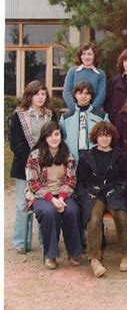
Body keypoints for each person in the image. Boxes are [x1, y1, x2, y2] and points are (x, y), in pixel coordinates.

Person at [75, 122, 127, 278]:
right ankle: (94, 259)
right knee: (93, 219)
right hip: (94, 194)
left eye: (107, 135)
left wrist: (120, 190)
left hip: (114, 193)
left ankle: (126, 255)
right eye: (101, 135)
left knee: (121, 214)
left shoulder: (120, 156)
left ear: (112, 137)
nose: (104, 139)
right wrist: (85, 195)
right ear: (96, 137)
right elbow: (79, 183)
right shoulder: (86, 158)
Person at [25, 121, 83, 270]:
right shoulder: (35, 156)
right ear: (44, 137)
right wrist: (52, 199)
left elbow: (70, 179)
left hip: (63, 194)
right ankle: (50, 255)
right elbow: (33, 183)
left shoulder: (66, 154)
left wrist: (62, 198)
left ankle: (74, 252)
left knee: (72, 211)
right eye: (49, 135)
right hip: (41, 196)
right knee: (49, 212)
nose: (53, 138)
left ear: (61, 136)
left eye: (56, 134)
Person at [10, 80, 57, 254]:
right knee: (22, 205)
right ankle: (21, 242)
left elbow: (55, 138)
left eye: (43, 94)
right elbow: (15, 143)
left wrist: (44, 160)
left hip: (46, 166)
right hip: (23, 166)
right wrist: (32, 161)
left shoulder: (51, 115)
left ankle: (45, 240)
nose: (40, 97)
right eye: (37, 94)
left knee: (43, 203)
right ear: (29, 96)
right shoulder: (19, 115)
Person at [60, 81, 109, 162]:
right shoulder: (66, 117)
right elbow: (62, 138)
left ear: (91, 96)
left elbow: (108, 136)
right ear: (75, 95)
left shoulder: (101, 116)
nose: (83, 96)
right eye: (80, 93)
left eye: (87, 93)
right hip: (72, 157)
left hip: (95, 156)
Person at [63, 43, 107, 110]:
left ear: (94, 56)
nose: (86, 57)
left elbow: (101, 94)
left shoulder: (100, 74)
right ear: (80, 56)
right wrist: (75, 108)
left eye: (89, 54)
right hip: (75, 112)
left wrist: (91, 110)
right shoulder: (73, 71)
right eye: (84, 54)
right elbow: (67, 91)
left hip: (93, 113)